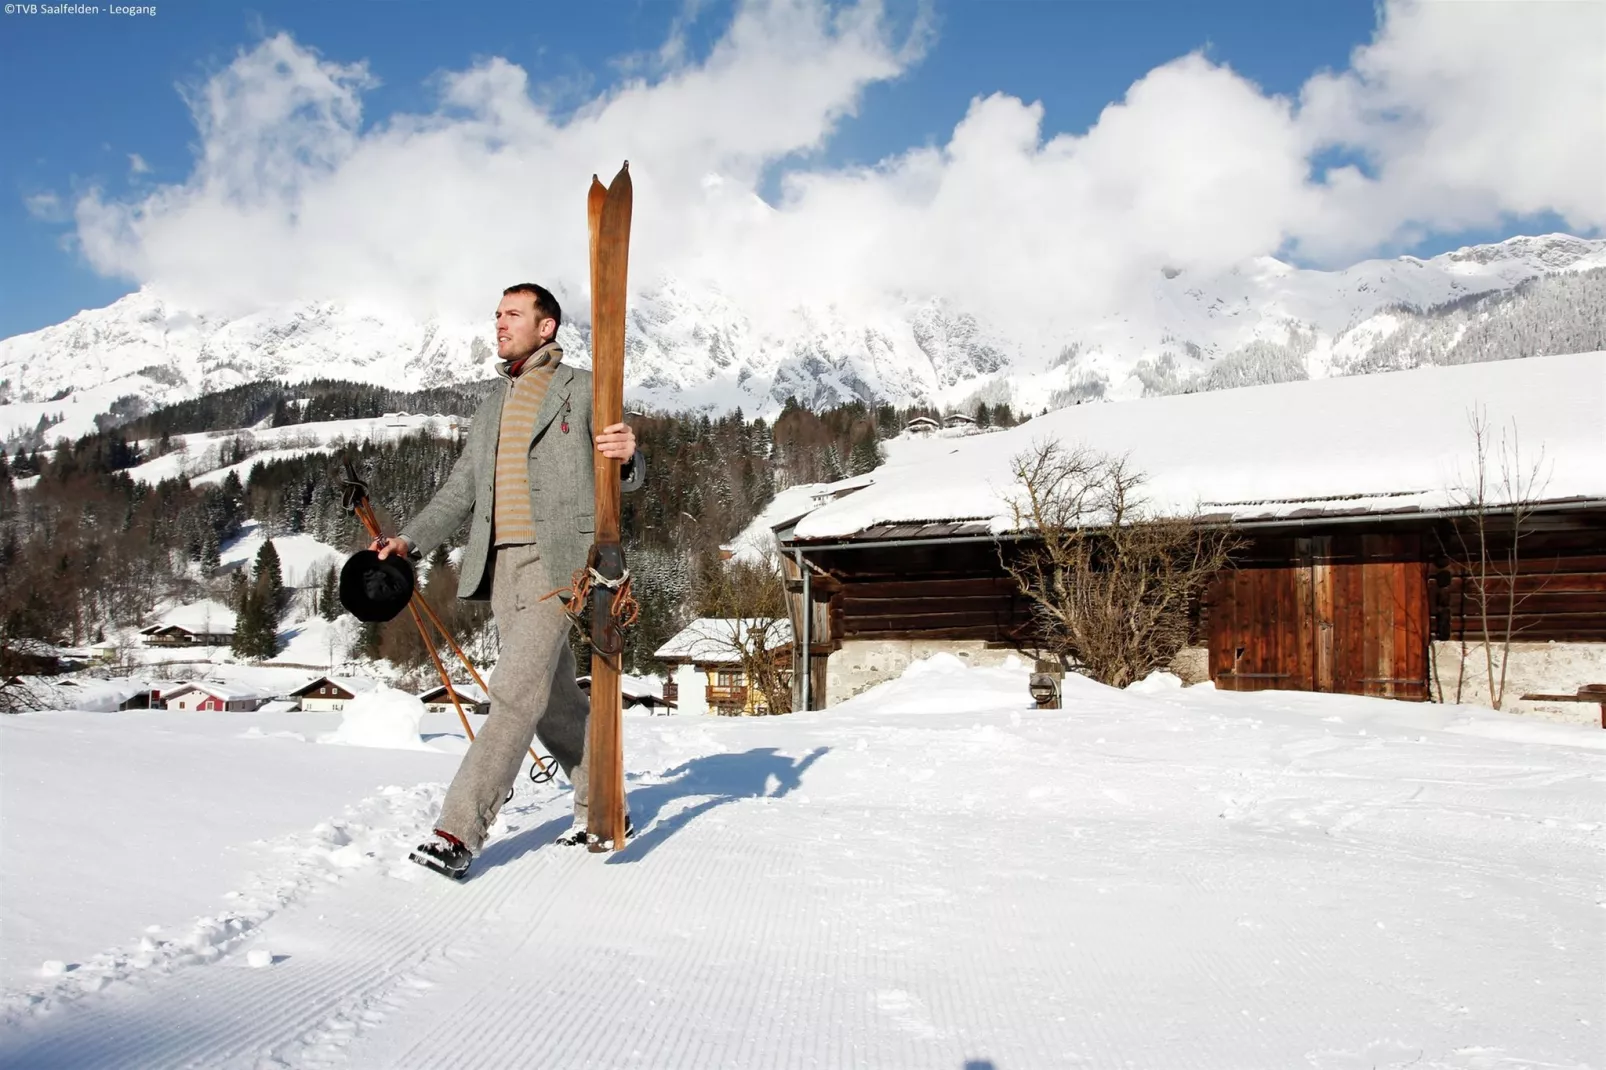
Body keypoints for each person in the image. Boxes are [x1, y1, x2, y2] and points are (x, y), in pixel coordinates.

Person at [374, 282, 644, 880]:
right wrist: (409, 540)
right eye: (497, 313)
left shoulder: (582, 386)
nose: (499, 323)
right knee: (553, 705)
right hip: (502, 568)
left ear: (545, 327)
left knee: (515, 693)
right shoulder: (493, 401)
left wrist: (628, 455)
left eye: (513, 314)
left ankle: (457, 830)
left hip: (563, 564)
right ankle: (604, 808)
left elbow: (620, 472)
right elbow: (461, 490)